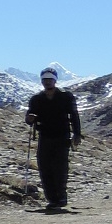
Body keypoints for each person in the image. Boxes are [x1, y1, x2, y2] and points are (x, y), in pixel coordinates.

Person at [24, 67, 81, 209]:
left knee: (60, 168)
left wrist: (77, 134)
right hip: (45, 135)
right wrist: (29, 119)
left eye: (50, 80)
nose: (47, 82)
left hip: (62, 136)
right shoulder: (36, 99)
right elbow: (29, 117)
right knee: (44, 167)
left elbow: (74, 115)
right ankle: (52, 199)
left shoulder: (66, 96)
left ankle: (61, 198)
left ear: (55, 80)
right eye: (45, 80)